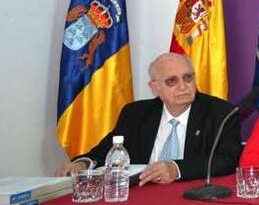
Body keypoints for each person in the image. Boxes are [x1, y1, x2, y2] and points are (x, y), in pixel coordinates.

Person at [55, 53, 241, 185]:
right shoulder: (135, 114)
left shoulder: (220, 113)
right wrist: (83, 163)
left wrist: (176, 169)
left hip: (192, 196)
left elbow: (227, 160)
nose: (183, 86)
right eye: (172, 81)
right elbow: (106, 151)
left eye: (188, 78)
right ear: (155, 88)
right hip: (141, 196)